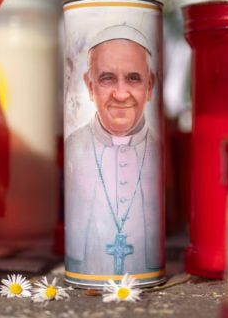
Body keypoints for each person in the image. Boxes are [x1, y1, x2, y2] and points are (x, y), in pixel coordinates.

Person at [65, 23, 162, 279]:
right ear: (90, 86)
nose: (121, 94)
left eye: (133, 78)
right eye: (107, 78)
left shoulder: (159, 150)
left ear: (149, 86)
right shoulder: (73, 147)